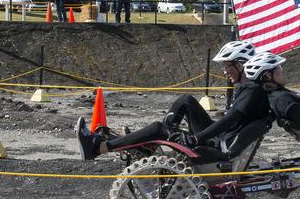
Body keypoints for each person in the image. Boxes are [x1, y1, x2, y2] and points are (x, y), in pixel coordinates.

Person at [76, 40, 266, 160]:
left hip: (218, 146)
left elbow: (227, 121)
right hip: (220, 140)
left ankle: (99, 148)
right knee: (186, 100)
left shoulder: (251, 90)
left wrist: (195, 138)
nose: (224, 71)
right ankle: (152, 144)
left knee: (157, 128)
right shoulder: (247, 88)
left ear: (240, 64)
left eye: (227, 66)